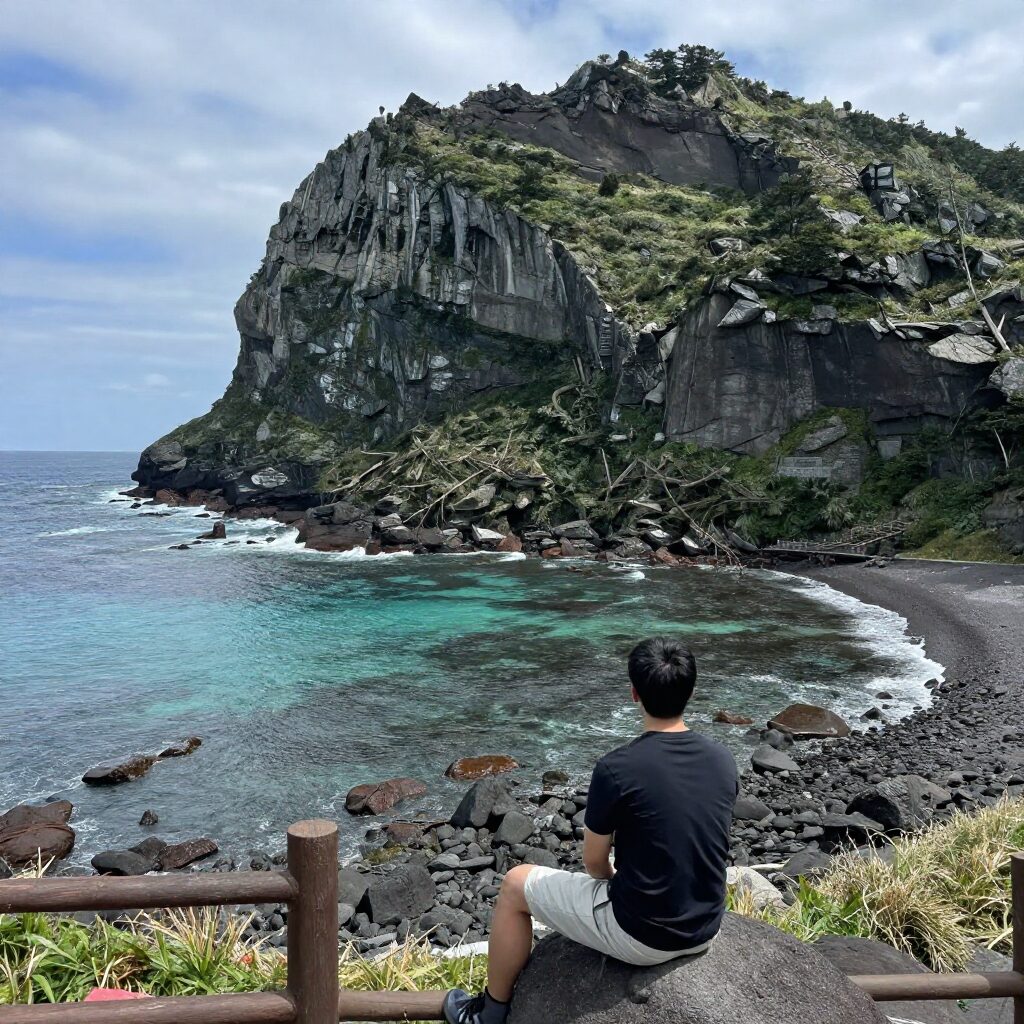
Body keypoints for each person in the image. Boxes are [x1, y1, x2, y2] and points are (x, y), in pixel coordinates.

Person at [443, 637, 738, 1024]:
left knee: (515, 884)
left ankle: (489, 1014)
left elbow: (595, 863)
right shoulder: (723, 759)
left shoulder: (617, 768)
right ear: (691, 690)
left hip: (645, 936)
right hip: (704, 926)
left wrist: (618, 880)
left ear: (634, 693)